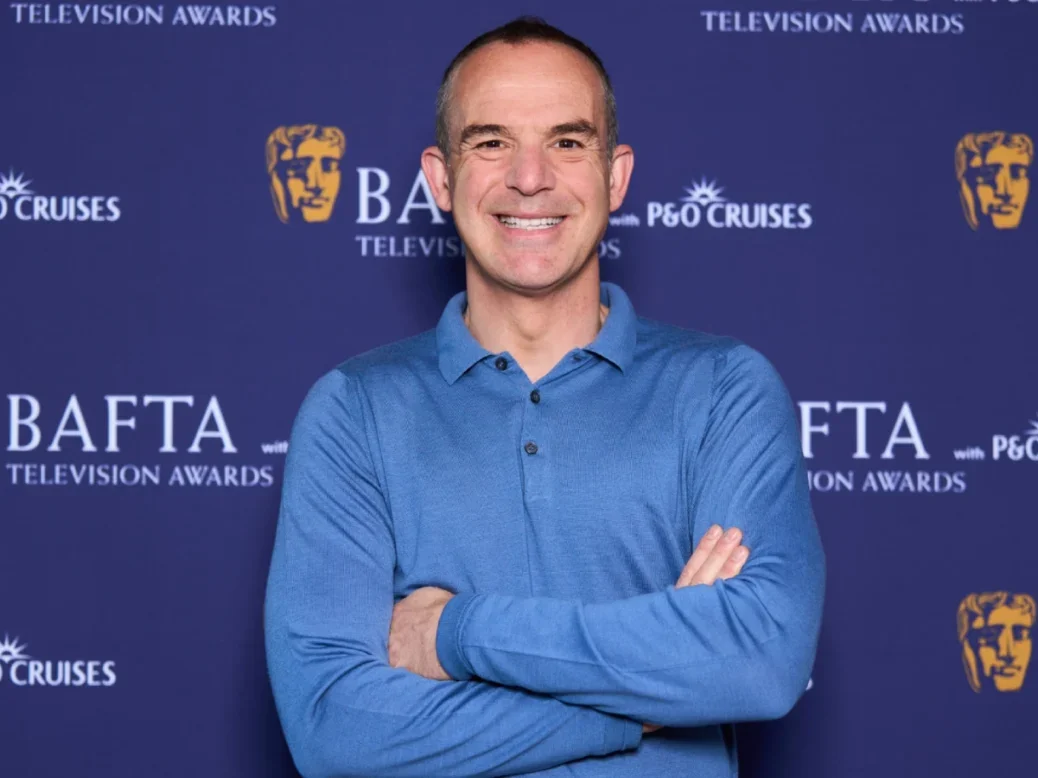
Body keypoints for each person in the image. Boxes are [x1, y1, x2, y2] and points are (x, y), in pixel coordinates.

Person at [264, 16, 825, 778]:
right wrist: (653, 693)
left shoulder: (725, 390)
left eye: (567, 141)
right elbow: (335, 731)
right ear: (440, 178)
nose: (530, 177)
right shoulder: (353, 411)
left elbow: (760, 659)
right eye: (491, 142)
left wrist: (454, 633)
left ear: (615, 175)